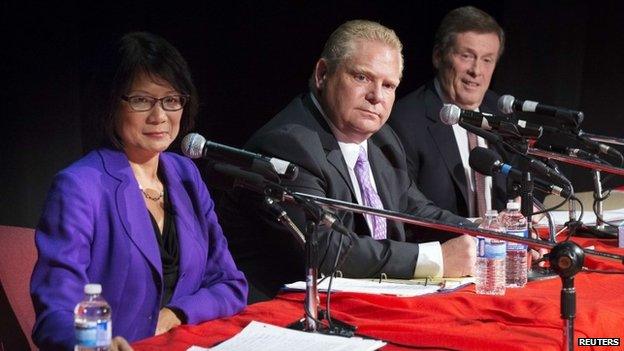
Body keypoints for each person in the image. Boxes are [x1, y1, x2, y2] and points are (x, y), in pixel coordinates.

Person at [219, 20, 476, 303]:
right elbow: (325, 250)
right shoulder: (287, 145)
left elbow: (414, 209)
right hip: (288, 312)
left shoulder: (382, 139)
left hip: (365, 302)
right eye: (362, 77)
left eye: (388, 85)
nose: (376, 96)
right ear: (322, 74)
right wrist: (436, 259)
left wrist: (485, 235)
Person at [30, 32, 247, 350]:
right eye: (141, 100)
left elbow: (231, 284)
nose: (159, 116)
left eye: (171, 100)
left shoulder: (186, 175)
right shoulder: (80, 186)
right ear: (110, 103)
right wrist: (96, 345)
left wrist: (176, 313)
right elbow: (55, 313)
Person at [389, 6, 510, 218]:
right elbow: (407, 208)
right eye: (466, 56)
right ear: (438, 56)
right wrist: (474, 231)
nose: (476, 70)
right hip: (445, 246)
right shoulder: (405, 121)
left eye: (487, 60)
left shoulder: (501, 111)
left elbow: (522, 175)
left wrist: (527, 203)